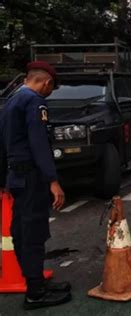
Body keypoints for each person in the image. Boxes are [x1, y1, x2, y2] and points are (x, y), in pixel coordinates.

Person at [0, 61, 71, 310]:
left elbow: (3, 142)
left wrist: (3, 179)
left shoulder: (11, 100)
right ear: (46, 83)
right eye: (51, 88)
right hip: (31, 178)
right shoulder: (34, 102)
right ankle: (36, 293)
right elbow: (39, 143)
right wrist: (53, 181)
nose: (49, 93)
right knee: (33, 233)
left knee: (21, 232)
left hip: (16, 177)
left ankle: (36, 281)